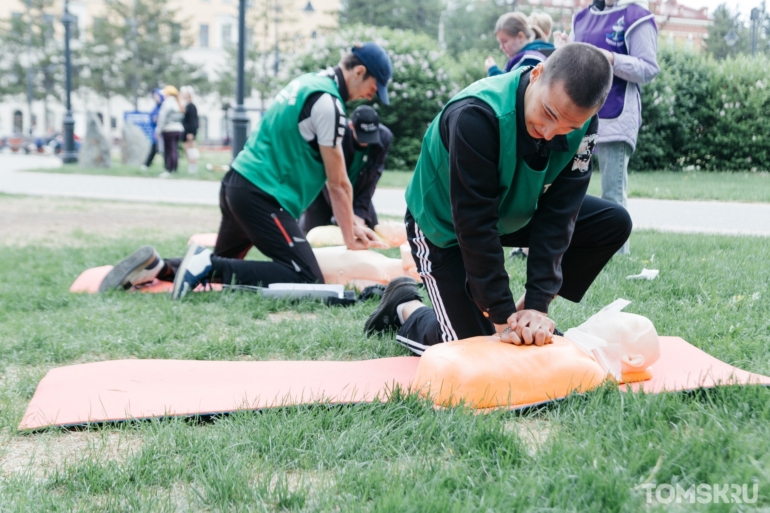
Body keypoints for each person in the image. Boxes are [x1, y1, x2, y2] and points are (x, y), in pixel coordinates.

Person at [364, 43, 632, 355]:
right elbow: (475, 227)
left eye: (568, 127)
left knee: (612, 222)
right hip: (444, 226)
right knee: (473, 351)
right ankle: (405, 305)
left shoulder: (583, 125)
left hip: (513, 210)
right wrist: (502, 318)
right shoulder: (476, 116)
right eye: (548, 113)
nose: (549, 132)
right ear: (536, 74)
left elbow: (560, 214)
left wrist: (535, 307)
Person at [99, 43, 394, 299]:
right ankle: (206, 265)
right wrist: (349, 239)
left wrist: (354, 225)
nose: (373, 96)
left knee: (219, 267)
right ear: (359, 72)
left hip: (237, 185)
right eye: (374, 86)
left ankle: (157, 266)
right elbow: (338, 183)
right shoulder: (329, 104)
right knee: (305, 276)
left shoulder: (307, 83)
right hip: (262, 196)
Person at [563, 0, 660, 254]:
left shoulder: (637, 17)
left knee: (612, 192)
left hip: (615, 121)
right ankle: (570, 246)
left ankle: (616, 253)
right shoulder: (582, 17)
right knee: (571, 187)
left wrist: (613, 59)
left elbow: (648, 69)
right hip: (580, 121)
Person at [299, 105, 392, 233]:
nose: (366, 141)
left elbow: (373, 178)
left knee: (371, 230)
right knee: (310, 233)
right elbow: (329, 179)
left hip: (358, 191)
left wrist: (359, 213)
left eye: (370, 136)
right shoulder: (336, 136)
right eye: (362, 135)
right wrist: (345, 215)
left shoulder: (384, 138)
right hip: (326, 190)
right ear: (351, 126)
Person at [485, 12, 555, 77]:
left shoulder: (530, 59)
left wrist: (493, 70)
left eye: (505, 41)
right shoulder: (531, 55)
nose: (501, 47)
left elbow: (511, 88)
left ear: (520, 37)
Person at [156, 85, 185, 178]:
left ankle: (168, 169)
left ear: (168, 94)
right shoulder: (179, 102)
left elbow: (162, 117)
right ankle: (175, 169)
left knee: (169, 150)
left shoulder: (167, 103)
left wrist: (158, 130)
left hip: (169, 129)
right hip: (178, 129)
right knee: (175, 150)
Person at [141, 89, 164, 171]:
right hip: (156, 132)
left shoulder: (164, 106)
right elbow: (151, 117)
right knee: (154, 149)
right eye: (155, 97)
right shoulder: (155, 107)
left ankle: (168, 168)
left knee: (164, 151)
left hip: (163, 132)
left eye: (157, 96)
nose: (156, 98)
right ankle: (146, 165)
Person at [180, 86, 200, 174]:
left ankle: (193, 166)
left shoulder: (191, 106)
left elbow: (193, 121)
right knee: (187, 149)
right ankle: (191, 166)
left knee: (191, 149)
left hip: (189, 132)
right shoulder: (187, 105)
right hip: (187, 131)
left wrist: (191, 132)